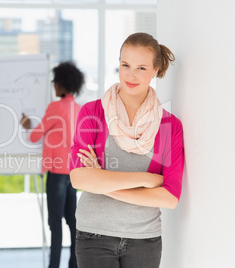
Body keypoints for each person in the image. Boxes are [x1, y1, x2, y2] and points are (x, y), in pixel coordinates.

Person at [69, 32, 184, 268]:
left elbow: (169, 197)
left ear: (155, 70)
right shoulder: (93, 113)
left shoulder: (167, 126)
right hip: (93, 235)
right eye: (125, 65)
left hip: (144, 239)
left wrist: (104, 184)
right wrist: (146, 179)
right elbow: (78, 177)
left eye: (141, 68)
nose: (131, 75)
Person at [20, 61, 85, 268]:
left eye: (55, 82)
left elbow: (35, 136)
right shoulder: (79, 109)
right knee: (72, 222)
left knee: (55, 224)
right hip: (73, 173)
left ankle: (53, 266)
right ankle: (74, 265)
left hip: (56, 172)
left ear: (62, 84)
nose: (54, 86)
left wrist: (27, 126)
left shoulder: (55, 107)